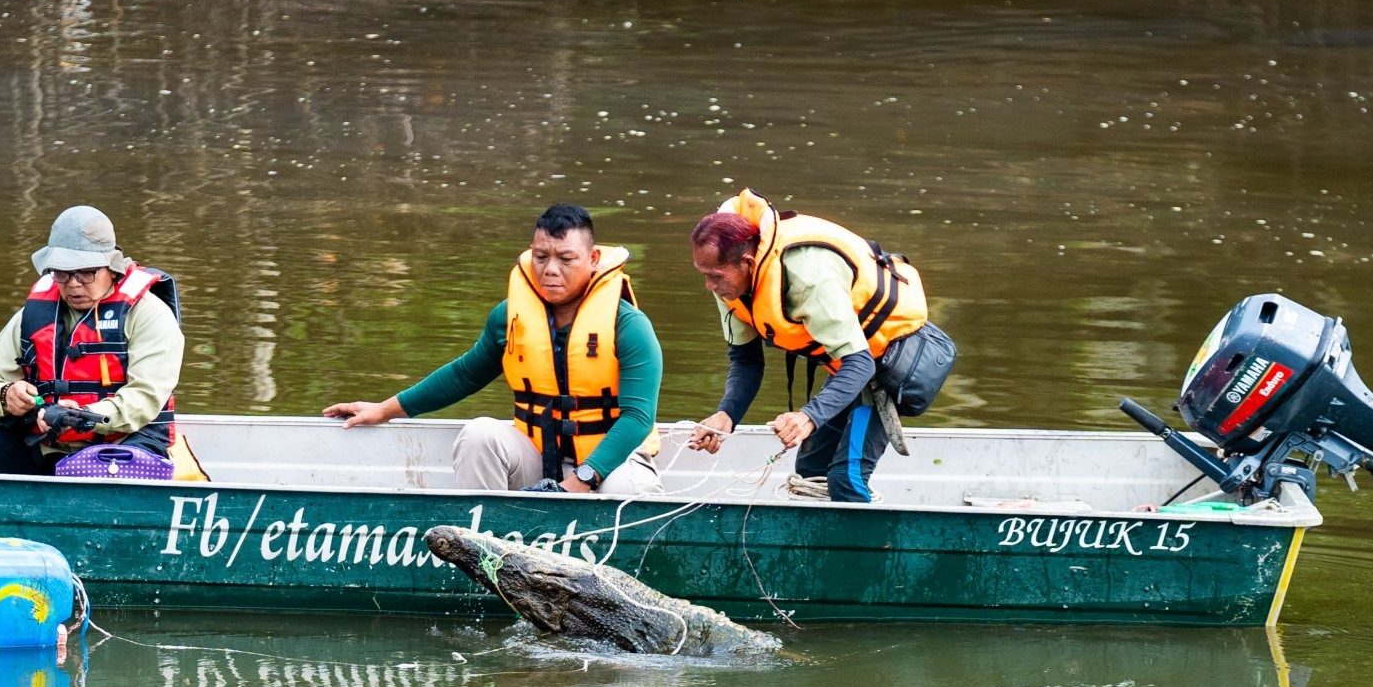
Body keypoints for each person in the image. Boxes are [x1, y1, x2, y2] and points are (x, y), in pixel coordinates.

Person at [322, 203, 664, 495]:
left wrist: (581, 481)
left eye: (566, 259)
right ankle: (485, 549)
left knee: (625, 489)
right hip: (539, 458)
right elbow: (465, 374)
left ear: (591, 259)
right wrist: (385, 409)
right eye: (541, 257)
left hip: (612, 464)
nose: (550, 270)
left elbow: (637, 418)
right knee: (479, 435)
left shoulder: (629, 326)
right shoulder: (509, 316)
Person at [683, 189, 930, 502]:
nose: (709, 285)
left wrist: (808, 416)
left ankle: (869, 547)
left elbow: (861, 363)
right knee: (810, 470)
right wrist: (726, 416)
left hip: (889, 363)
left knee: (846, 479)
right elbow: (746, 360)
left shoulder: (807, 277)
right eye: (703, 275)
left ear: (747, 262)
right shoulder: (731, 286)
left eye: (715, 276)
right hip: (845, 364)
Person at [0, 205, 183, 476]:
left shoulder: (150, 315)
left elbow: (145, 397)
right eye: (61, 272)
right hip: (45, 445)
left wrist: (83, 416)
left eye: (85, 272)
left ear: (112, 268)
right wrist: (6, 395)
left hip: (121, 446)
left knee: (97, 472)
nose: (72, 284)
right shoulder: (34, 313)